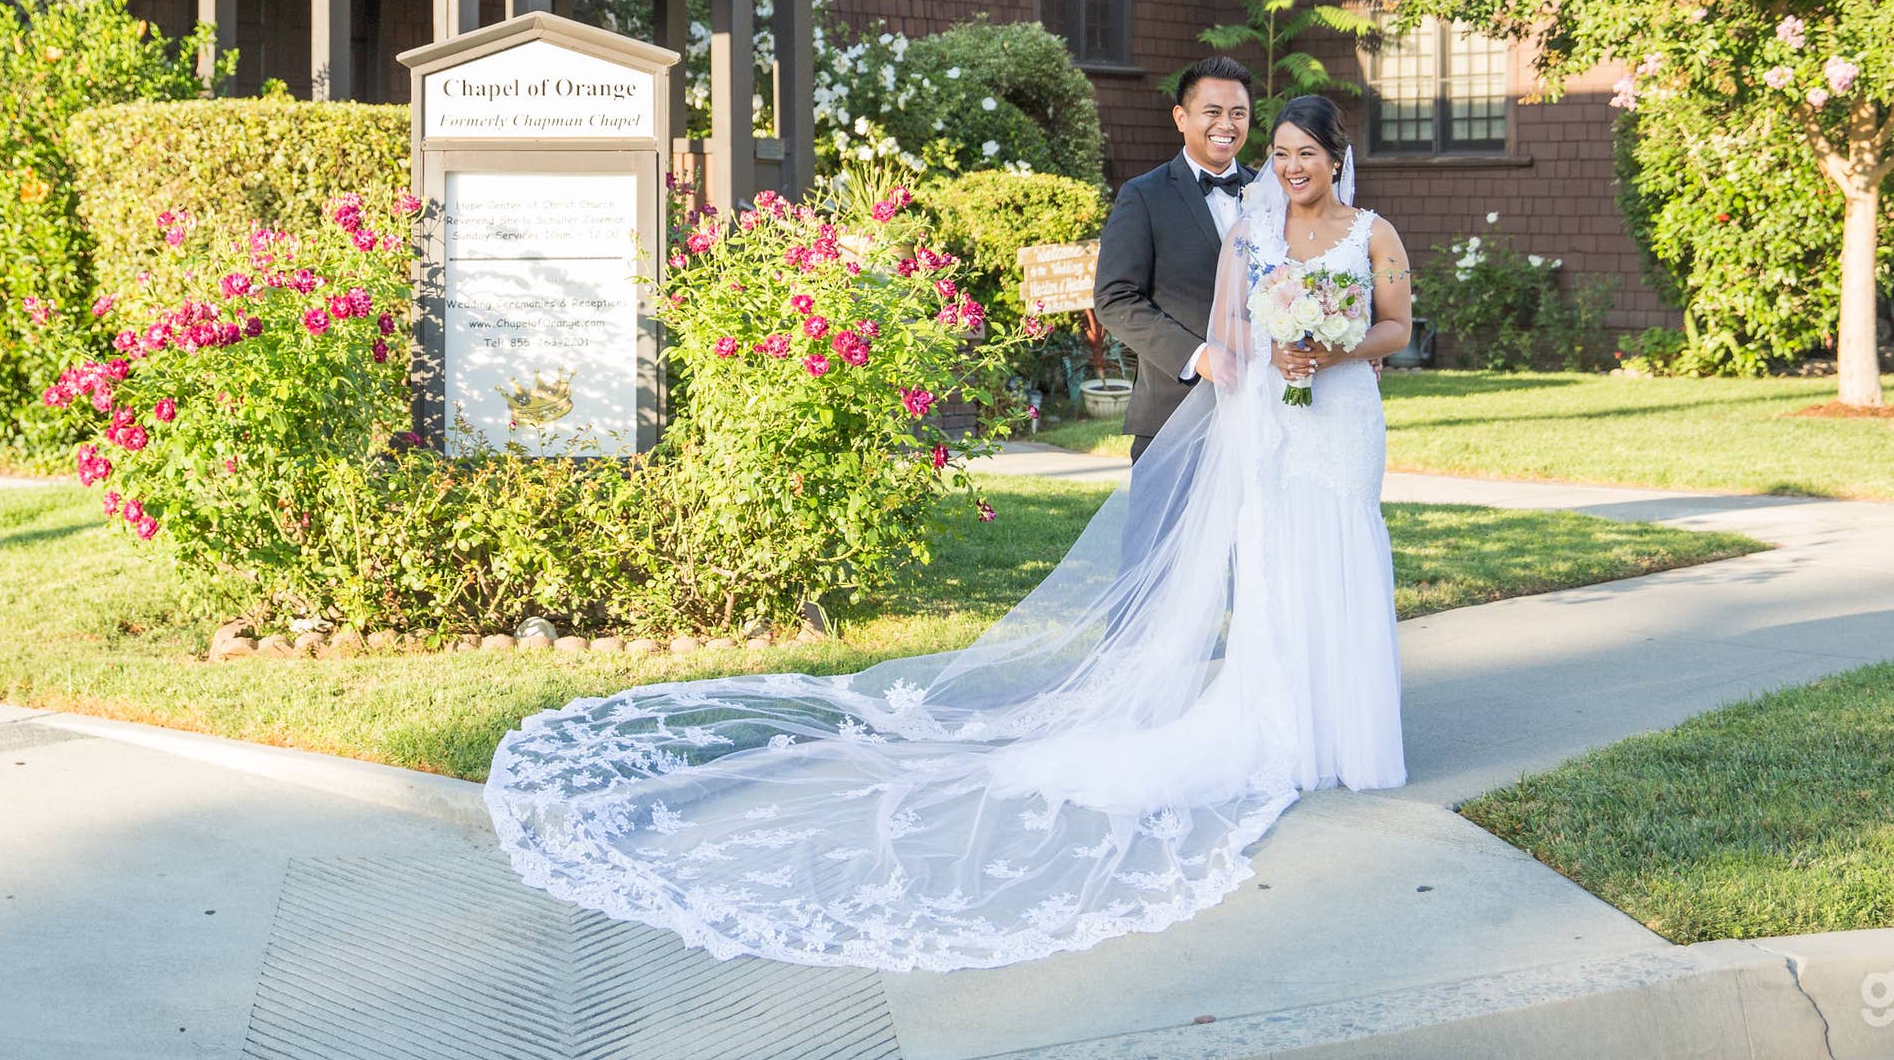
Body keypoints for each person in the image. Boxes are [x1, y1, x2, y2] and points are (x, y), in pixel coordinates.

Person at [485, 93, 1416, 972]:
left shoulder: (1376, 234)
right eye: (1280, 153)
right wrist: (1272, 353)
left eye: (1305, 153)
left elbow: (1397, 327)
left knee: (1343, 553)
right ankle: (1288, 730)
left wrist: (1334, 348)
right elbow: (1228, 331)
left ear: (1336, 158)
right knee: (1277, 569)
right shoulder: (1249, 233)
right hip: (1275, 420)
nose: (1289, 167)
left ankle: (1349, 731)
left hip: (1340, 421)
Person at [1094, 56, 1254, 466]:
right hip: (1173, 411)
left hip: (1261, 409)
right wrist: (1198, 356)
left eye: (1238, 113)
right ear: (1181, 117)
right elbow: (1115, 298)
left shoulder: (1269, 193)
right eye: (1212, 112)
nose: (1227, 124)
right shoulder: (1143, 196)